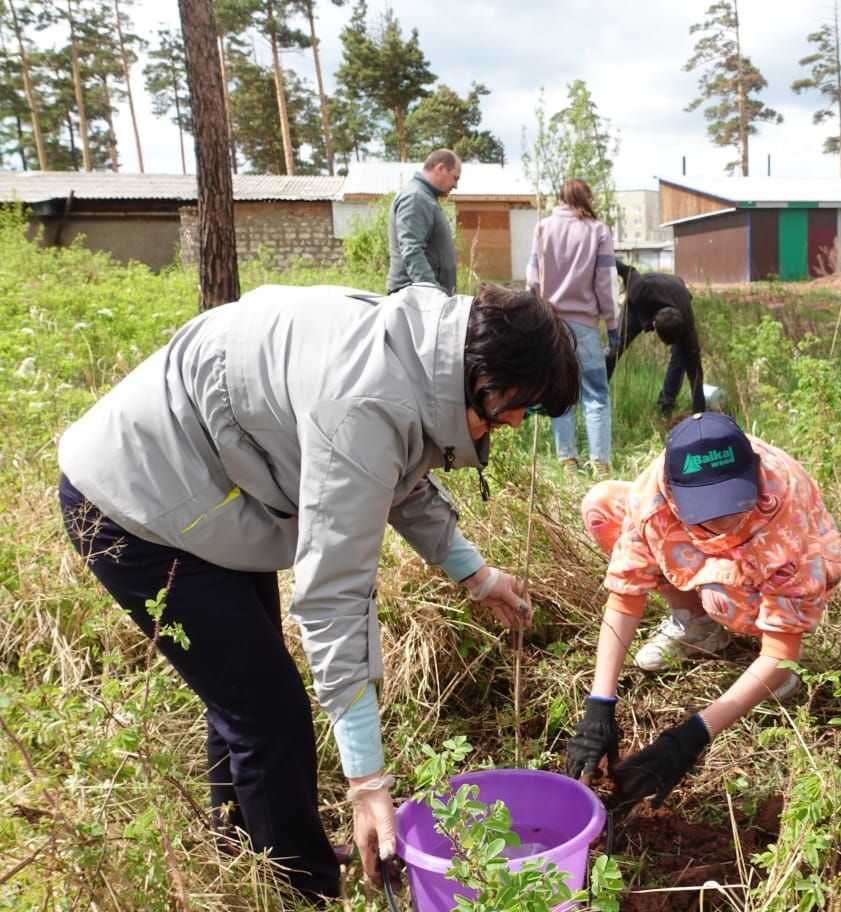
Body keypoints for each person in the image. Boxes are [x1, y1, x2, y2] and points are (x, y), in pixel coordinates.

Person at [56, 282, 579, 901]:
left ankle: (248, 853)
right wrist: (367, 783)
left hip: (214, 480)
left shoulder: (423, 353)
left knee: (247, 694)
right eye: (523, 405)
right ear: (485, 372)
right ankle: (306, 891)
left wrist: (476, 574)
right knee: (269, 713)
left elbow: (399, 475)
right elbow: (334, 598)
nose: (518, 422)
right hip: (136, 504)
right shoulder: (365, 405)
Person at [566, 412, 841, 807]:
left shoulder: (783, 508)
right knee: (603, 506)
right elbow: (626, 594)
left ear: (753, 472)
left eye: (733, 504)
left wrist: (691, 736)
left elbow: (782, 650)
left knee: (734, 607)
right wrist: (600, 704)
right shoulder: (653, 496)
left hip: (776, 562)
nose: (725, 519)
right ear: (673, 491)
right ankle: (698, 624)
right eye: (708, 510)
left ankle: (769, 679)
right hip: (708, 558)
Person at [527, 178, 617, 473]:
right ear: (586, 198)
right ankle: (600, 462)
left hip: (550, 326)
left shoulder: (542, 228)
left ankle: (567, 459)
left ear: (560, 198)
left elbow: (533, 281)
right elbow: (605, 285)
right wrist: (613, 325)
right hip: (586, 327)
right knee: (595, 394)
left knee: (559, 392)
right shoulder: (598, 231)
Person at [607, 259, 707, 417]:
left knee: (683, 355)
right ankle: (595, 397)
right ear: (653, 325)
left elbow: (695, 372)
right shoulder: (640, 288)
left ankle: (665, 405)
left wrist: (700, 414)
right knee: (614, 349)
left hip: (676, 290)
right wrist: (600, 254)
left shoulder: (686, 323)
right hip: (639, 305)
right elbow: (626, 269)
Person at [387, 148, 462, 294]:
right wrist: (433, 293)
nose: (456, 185)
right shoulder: (416, 197)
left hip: (420, 297)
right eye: (455, 178)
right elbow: (411, 250)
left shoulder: (425, 197)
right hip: (413, 298)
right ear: (440, 168)